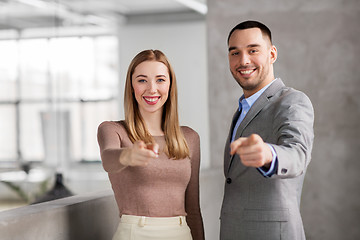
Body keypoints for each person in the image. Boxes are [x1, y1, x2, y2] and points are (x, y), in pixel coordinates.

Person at [220, 20, 314, 240]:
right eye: (235, 53)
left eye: (253, 50)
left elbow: (297, 153)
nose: (243, 60)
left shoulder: (292, 101)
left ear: (272, 54)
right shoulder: (242, 108)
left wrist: (269, 154)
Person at [97, 49, 205, 240]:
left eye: (160, 80)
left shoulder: (189, 138)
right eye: (142, 80)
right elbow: (108, 159)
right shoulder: (113, 130)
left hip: (181, 233)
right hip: (135, 233)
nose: (152, 88)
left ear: (170, 85)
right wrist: (128, 155)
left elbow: (193, 210)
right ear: (131, 86)